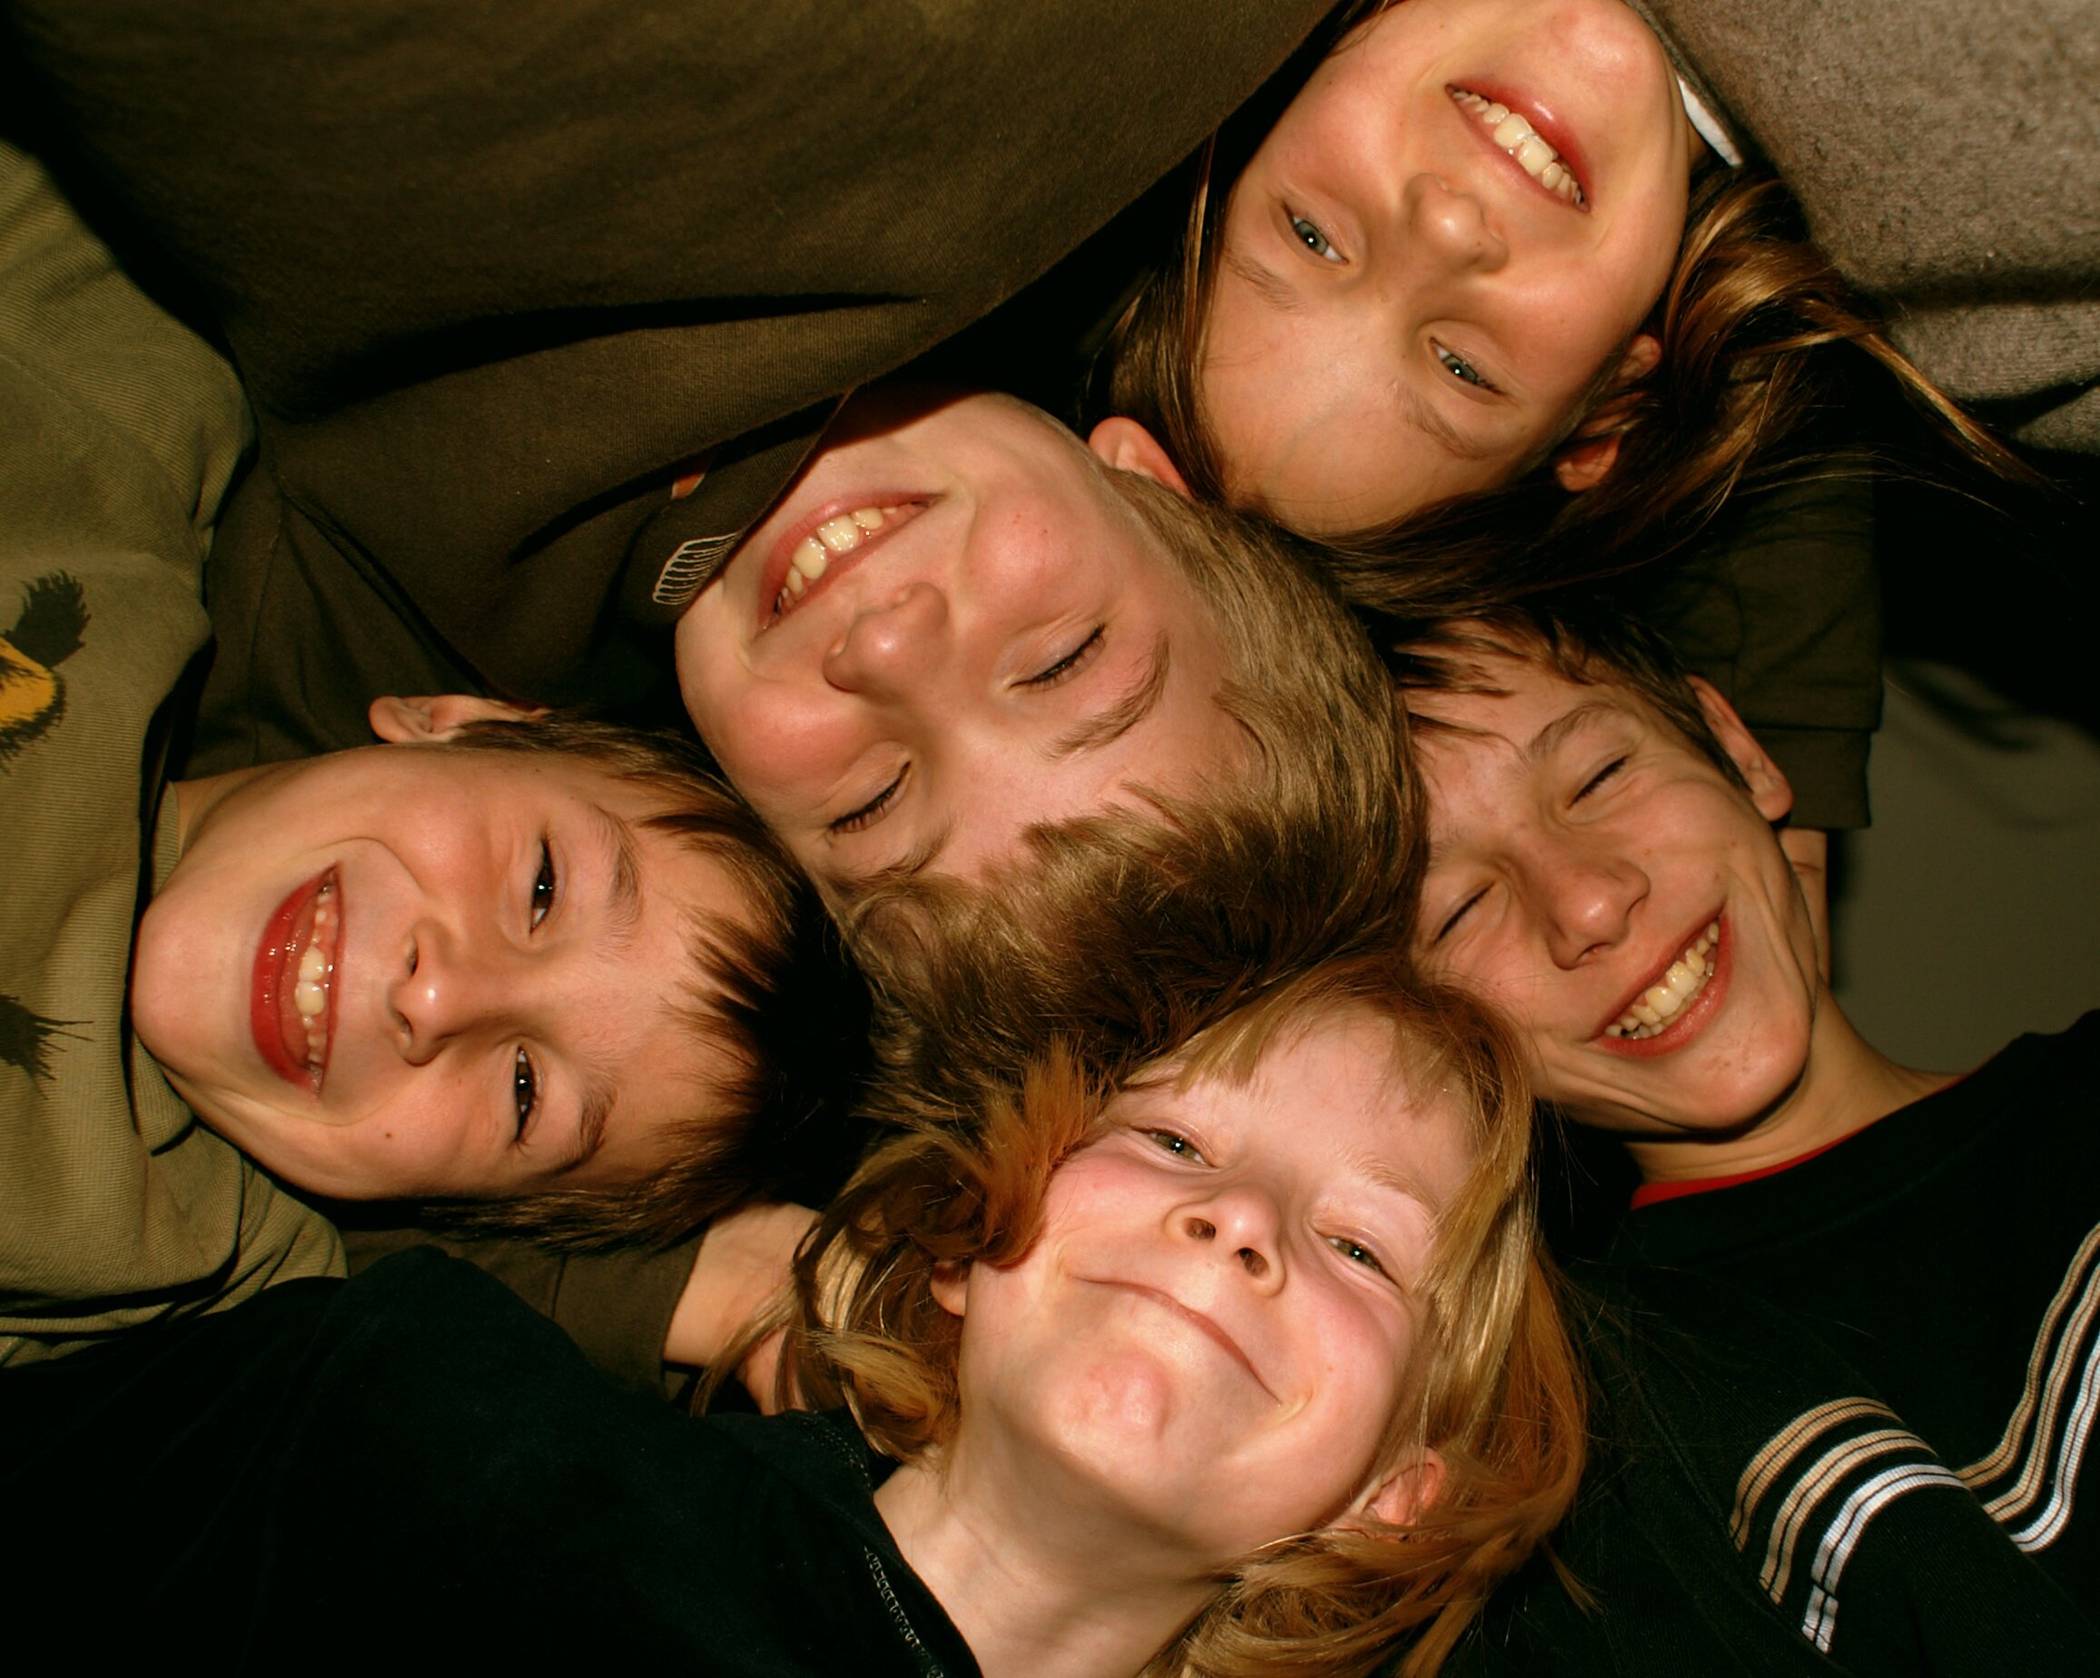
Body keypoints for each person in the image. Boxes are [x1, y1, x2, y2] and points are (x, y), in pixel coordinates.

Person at [0, 947, 1583, 1678]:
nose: (1239, 1220)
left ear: (1394, 1497)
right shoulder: (422, 1422)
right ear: (970, 1249)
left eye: (1364, 1247)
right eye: (1170, 1141)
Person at [0, 134, 858, 1364]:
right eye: (544, 884)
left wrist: (733, 1298)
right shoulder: (112, 415)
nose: (437, 995)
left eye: (523, 1094)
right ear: (460, 720)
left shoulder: (180, 1270)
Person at [1389, 603, 2100, 1671]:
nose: (1586, 902)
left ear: (1739, 748)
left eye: (1597, 777)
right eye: (1458, 909)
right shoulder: (1590, 1472)